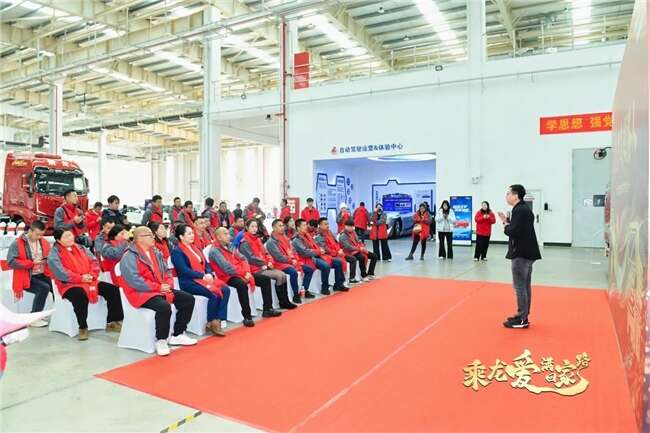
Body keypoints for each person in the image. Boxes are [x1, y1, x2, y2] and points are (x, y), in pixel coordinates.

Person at [119, 226, 196, 355]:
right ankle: (161, 340)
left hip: (160, 288)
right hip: (141, 292)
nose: (153, 237)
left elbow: (167, 271)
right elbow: (134, 280)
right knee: (163, 306)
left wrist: (167, 284)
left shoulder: (156, 252)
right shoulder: (129, 256)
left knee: (188, 299)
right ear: (139, 238)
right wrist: (158, 287)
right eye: (149, 235)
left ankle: (178, 334)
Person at [49, 228, 123, 340]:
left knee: (113, 290)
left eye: (70, 235)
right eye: (66, 237)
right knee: (80, 296)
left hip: (89, 280)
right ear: (59, 240)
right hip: (69, 284)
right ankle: (83, 327)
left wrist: (91, 275)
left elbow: (94, 261)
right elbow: (61, 272)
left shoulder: (81, 248)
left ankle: (112, 321)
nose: (70, 238)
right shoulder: (54, 254)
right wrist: (80, 278)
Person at [171, 224, 230, 336]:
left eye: (192, 233)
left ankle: (217, 320)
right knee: (214, 293)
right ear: (181, 236)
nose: (192, 235)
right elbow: (184, 270)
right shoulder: (177, 252)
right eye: (189, 234)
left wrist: (208, 273)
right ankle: (212, 321)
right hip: (189, 282)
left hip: (203, 278)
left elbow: (206, 264)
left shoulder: (195, 248)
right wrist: (202, 276)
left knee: (225, 289)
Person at [498, 185, 541, 329]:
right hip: (527, 252)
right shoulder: (524, 209)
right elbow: (519, 229)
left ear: (516, 195)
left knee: (520, 287)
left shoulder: (519, 210)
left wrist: (505, 224)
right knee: (525, 285)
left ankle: (522, 318)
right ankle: (523, 314)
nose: (507, 196)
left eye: (508, 193)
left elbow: (513, 231)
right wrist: (509, 223)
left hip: (521, 253)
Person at [239, 219, 295, 313]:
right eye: (252, 226)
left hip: (264, 266)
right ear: (247, 228)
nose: (254, 228)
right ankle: (269, 307)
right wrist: (265, 263)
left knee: (283, 275)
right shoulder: (244, 242)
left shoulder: (257, 239)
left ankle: (284, 302)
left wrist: (269, 260)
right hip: (254, 269)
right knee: (279, 275)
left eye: (256, 226)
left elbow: (266, 253)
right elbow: (250, 258)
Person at [6, 221, 53, 324]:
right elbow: (11, 262)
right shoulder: (17, 243)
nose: (39, 237)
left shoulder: (44, 242)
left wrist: (47, 260)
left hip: (43, 273)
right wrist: (31, 263)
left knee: (57, 286)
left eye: (41, 234)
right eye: (37, 234)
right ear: (30, 231)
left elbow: (50, 256)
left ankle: (57, 314)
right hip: (26, 277)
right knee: (44, 288)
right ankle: (34, 318)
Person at [208, 227, 256, 327]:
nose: (228, 236)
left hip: (239, 271)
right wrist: (243, 273)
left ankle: (266, 308)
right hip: (225, 276)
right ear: (218, 237)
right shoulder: (214, 251)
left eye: (228, 233)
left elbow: (243, 258)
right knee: (241, 285)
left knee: (261, 278)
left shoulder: (230, 245)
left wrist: (246, 271)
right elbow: (227, 268)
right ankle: (247, 316)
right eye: (225, 234)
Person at [266, 219, 314, 304]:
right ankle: (296, 295)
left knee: (309, 269)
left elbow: (293, 250)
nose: (282, 227)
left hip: (291, 261)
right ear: (274, 228)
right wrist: (291, 261)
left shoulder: (285, 238)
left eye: (282, 225)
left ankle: (304, 290)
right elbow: (278, 257)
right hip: (279, 264)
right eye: (279, 226)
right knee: (293, 272)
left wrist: (295, 259)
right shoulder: (271, 241)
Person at [292, 218, 331, 295]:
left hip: (312, 257)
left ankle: (325, 287)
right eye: (304, 225)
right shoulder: (296, 240)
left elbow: (314, 246)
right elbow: (304, 252)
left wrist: (319, 250)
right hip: (303, 259)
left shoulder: (307, 236)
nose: (306, 227)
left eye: (306, 225)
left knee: (327, 264)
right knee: (323, 266)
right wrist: (318, 251)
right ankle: (305, 290)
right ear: (298, 228)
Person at [315, 218, 349, 292]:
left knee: (339, 262)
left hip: (332, 254)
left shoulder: (329, 232)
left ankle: (338, 284)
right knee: (336, 262)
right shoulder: (318, 236)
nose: (328, 225)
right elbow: (325, 248)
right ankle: (325, 287)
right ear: (320, 225)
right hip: (323, 256)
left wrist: (339, 250)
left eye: (328, 224)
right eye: (325, 224)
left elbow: (335, 242)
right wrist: (336, 253)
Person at [100, 225, 130, 289]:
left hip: (129, 274)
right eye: (122, 234)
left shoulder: (127, 243)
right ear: (115, 236)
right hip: (116, 277)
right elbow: (117, 255)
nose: (125, 235)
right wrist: (124, 241)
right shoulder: (107, 247)